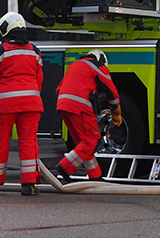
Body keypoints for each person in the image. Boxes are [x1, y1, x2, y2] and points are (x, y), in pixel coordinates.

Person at [0, 12, 44, 196]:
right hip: (31, 104)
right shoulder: (35, 51)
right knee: (29, 143)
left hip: (4, 105)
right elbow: (39, 78)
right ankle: (29, 185)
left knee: (0, 143)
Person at [52, 49, 121, 184]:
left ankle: (95, 176)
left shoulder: (75, 65)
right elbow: (111, 90)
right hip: (80, 106)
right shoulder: (97, 66)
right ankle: (64, 167)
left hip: (63, 105)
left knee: (83, 143)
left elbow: (58, 90)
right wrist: (116, 114)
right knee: (92, 141)